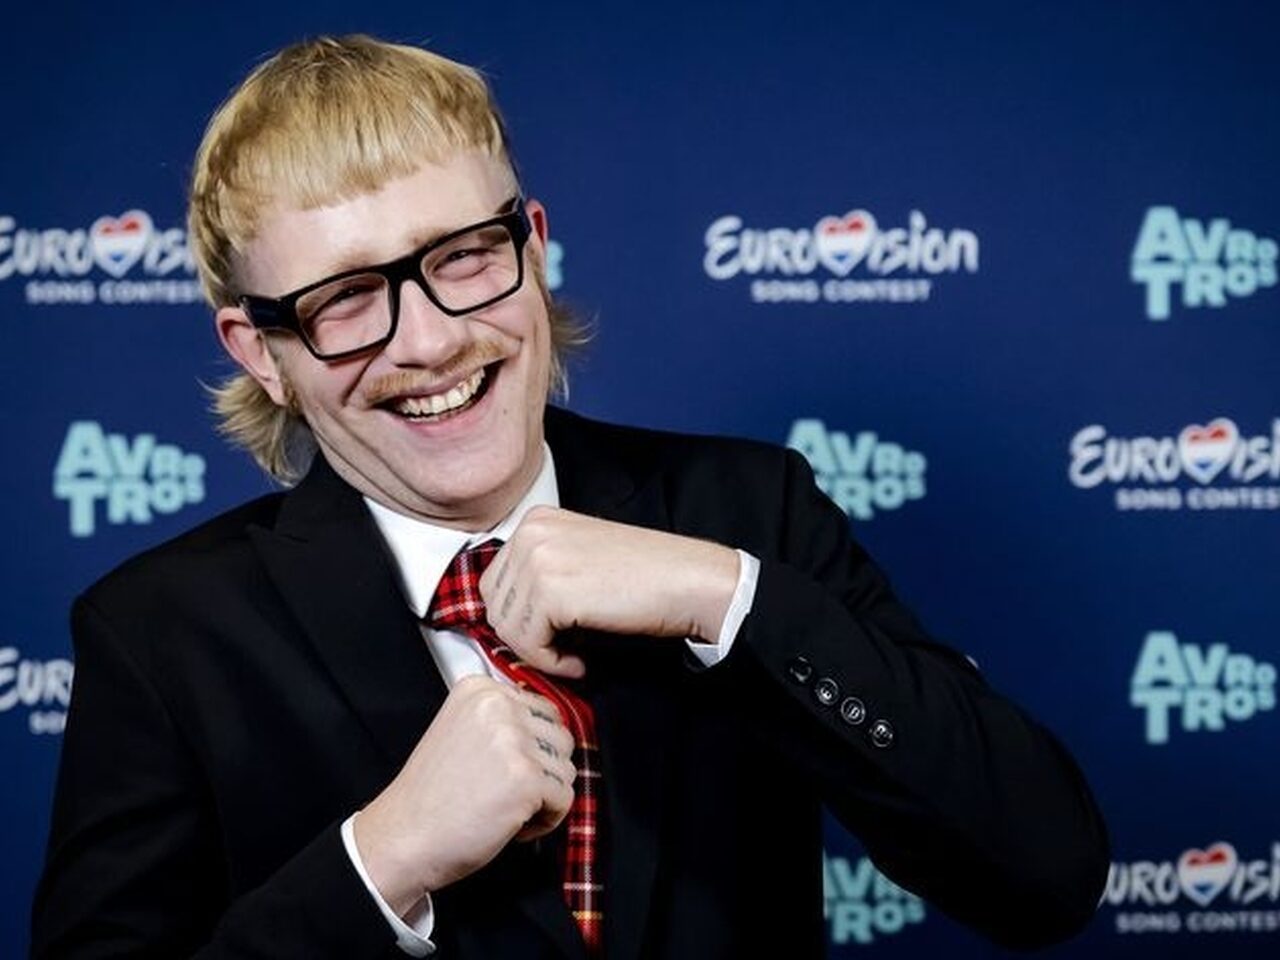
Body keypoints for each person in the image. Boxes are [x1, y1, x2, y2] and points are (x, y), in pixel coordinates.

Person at [32, 34, 1108, 959]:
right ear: (261, 353)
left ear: (534, 249)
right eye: (345, 299)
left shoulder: (746, 512)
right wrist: (382, 860)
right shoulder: (162, 635)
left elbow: (1043, 873)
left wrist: (726, 600)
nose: (431, 340)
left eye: (463, 257)